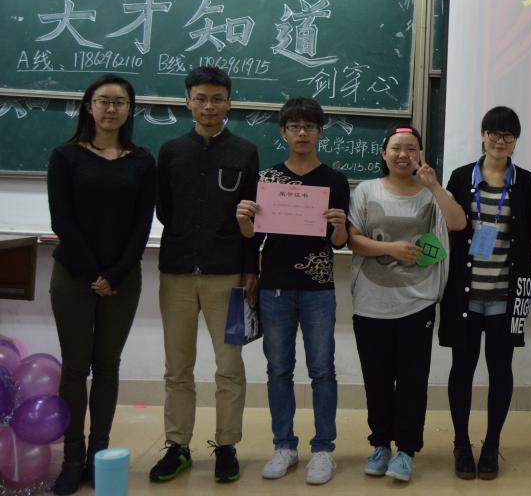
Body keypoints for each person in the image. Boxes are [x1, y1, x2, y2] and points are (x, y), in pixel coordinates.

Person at [149, 66, 259, 484]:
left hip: (227, 275)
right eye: (200, 98)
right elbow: (164, 209)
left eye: (216, 98)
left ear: (229, 102)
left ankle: (226, 446)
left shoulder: (245, 152)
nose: (208, 106)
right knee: (177, 367)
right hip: (176, 273)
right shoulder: (171, 150)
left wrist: (250, 269)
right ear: (188, 102)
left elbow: (253, 216)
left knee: (230, 365)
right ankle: (177, 446)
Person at [47, 74, 156, 495]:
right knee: (75, 367)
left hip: (122, 278)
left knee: (108, 366)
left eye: (120, 102)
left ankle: (99, 453)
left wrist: (114, 274)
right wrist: (94, 273)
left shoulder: (141, 160)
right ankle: (72, 458)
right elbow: (62, 220)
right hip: (74, 275)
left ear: (130, 109)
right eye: (104, 100)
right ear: (88, 106)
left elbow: (142, 224)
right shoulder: (66, 156)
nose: (111, 108)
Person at [235, 97, 349, 485]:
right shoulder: (267, 179)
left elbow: (338, 243)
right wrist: (244, 221)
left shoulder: (334, 180)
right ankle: (284, 445)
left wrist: (339, 226)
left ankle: (323, 449)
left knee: (322, 370)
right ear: (283, 132)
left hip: (319, 289)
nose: (302, 133)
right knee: (278, 369)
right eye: (295, 126)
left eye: (310, 127)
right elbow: (254, 237)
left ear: (320, 132)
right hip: (276, 287)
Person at [347, 125, 467, 482]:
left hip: (418, 302)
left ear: (420, 155)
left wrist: (434, 186)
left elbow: (458, 223)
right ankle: (380, 444)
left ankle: (406, 451)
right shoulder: (366, 190)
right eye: (396, 148)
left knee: (413, 380)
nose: (403, 154)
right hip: (370, 302)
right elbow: (352, 240)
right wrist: (390, 249)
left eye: (411, 148)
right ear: (384, 153)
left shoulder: (431, 194)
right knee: (377, 379)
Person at [439, 106, 531, 480]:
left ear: (516, 141)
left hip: (506, 294)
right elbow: (448, 227)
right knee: (462, 370)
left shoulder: (525, 182)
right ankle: (461, 443)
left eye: (508, 135)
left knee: (501, 371)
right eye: (494, 133)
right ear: (482, 136)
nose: (500, 141)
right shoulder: (460, 177)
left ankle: (491, 444)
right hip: (463, 294)